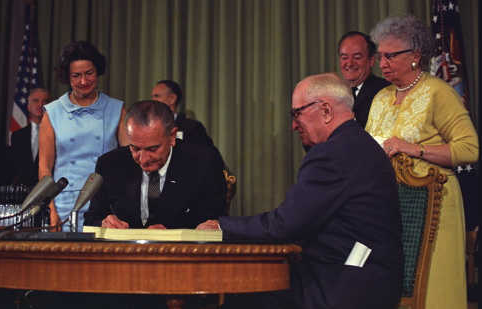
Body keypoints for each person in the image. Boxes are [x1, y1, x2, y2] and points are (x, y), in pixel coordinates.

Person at [198, 73, 403, 309]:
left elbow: (285, 225)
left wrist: (223, 227)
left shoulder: (332, 154)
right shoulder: (361, 144)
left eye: (297, 113)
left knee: (231, 296)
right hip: (371, 279)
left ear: (325, 110)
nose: (294, 125)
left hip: (343, 285)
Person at [366, 16, 479, 309]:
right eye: (380, 56)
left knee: (433, 290)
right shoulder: (380, 97)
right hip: (391, 208)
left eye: (390, 56)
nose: (383, 63)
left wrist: (414, 149)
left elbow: (469, 149)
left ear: (415, 57)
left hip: (435, 206)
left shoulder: (439, 93)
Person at [84, 100, 226, 229]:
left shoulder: (204, 163)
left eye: (152, 149)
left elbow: (215, 220)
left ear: (172, 136)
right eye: (135, 148)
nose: (144, 159)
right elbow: (91, 219)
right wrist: (104, 223)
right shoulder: (110, 164)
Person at [39, 41, 126, 231]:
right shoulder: (52, 112)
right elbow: (45, 167)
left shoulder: (116, 109)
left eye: (89, 73)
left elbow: (129, 162)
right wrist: (51, 209)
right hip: (64, 204)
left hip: (106, 207)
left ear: (98, 72)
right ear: (67, 77)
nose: (84, 81)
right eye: (76, 76)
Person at [338, 31, 390, 128]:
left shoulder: (385, 92)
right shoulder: (334, 92)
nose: (349, 63)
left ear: (371, 61)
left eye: (357, 57)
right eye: (344, 58)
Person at [151, 80, 214, 146]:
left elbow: (208, 154)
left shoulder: (192, 128)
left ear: (172, 99)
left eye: (157, 96)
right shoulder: (148, 125)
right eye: (152, 96)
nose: (153, 100)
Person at [11, 88, 50, 185]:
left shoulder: (58, 133)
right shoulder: (17, 136)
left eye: (45, 101)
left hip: (49, 192)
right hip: (23, 194)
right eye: (36, 100)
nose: (40, 105)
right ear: (28, 106)